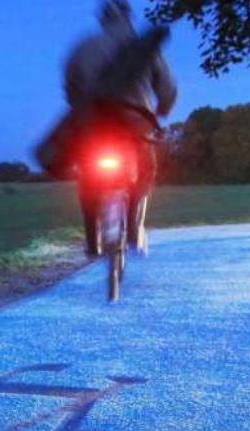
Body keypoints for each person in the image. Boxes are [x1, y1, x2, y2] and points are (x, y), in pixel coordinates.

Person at [62, 0, 176, 255]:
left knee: (88, 180)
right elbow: (167, 87)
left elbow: (70, 88)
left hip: (92, 125)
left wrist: (79, 108)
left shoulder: (83, 47)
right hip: (135, 123)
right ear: (128, 18)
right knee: (146, 171)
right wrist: (162, 109)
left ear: (103, 19)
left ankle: (92, 240)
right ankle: (135, 228)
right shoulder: (142, 46)